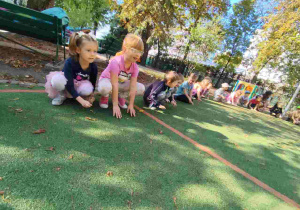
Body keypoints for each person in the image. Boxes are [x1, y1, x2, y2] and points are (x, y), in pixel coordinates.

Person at [97, 34, 145, 119]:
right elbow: (114, 84)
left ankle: (121, 96)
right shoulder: (116, 62)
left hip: (120, 83)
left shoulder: (135, 67)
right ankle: (105, 96)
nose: (138, 54)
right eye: (134, 50)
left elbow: (133, 86)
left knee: (140, 88)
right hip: (108, 81)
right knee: (105, 87)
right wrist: (115, 105)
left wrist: (131, 105)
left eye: (140, 52)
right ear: (125, 49)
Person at [45, 31, 98, 107]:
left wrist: (91, 96)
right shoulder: (70, 62)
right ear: (78, 50)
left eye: (95, 51)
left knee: (88, 89)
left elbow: (93, 83)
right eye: (88, 50)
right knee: (57, 80)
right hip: (67, 84)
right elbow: (69, 84)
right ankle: (61, 94)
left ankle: (74, 95)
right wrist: (81, 101)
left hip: (78, 84)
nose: (92, 54)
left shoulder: (93, 67)